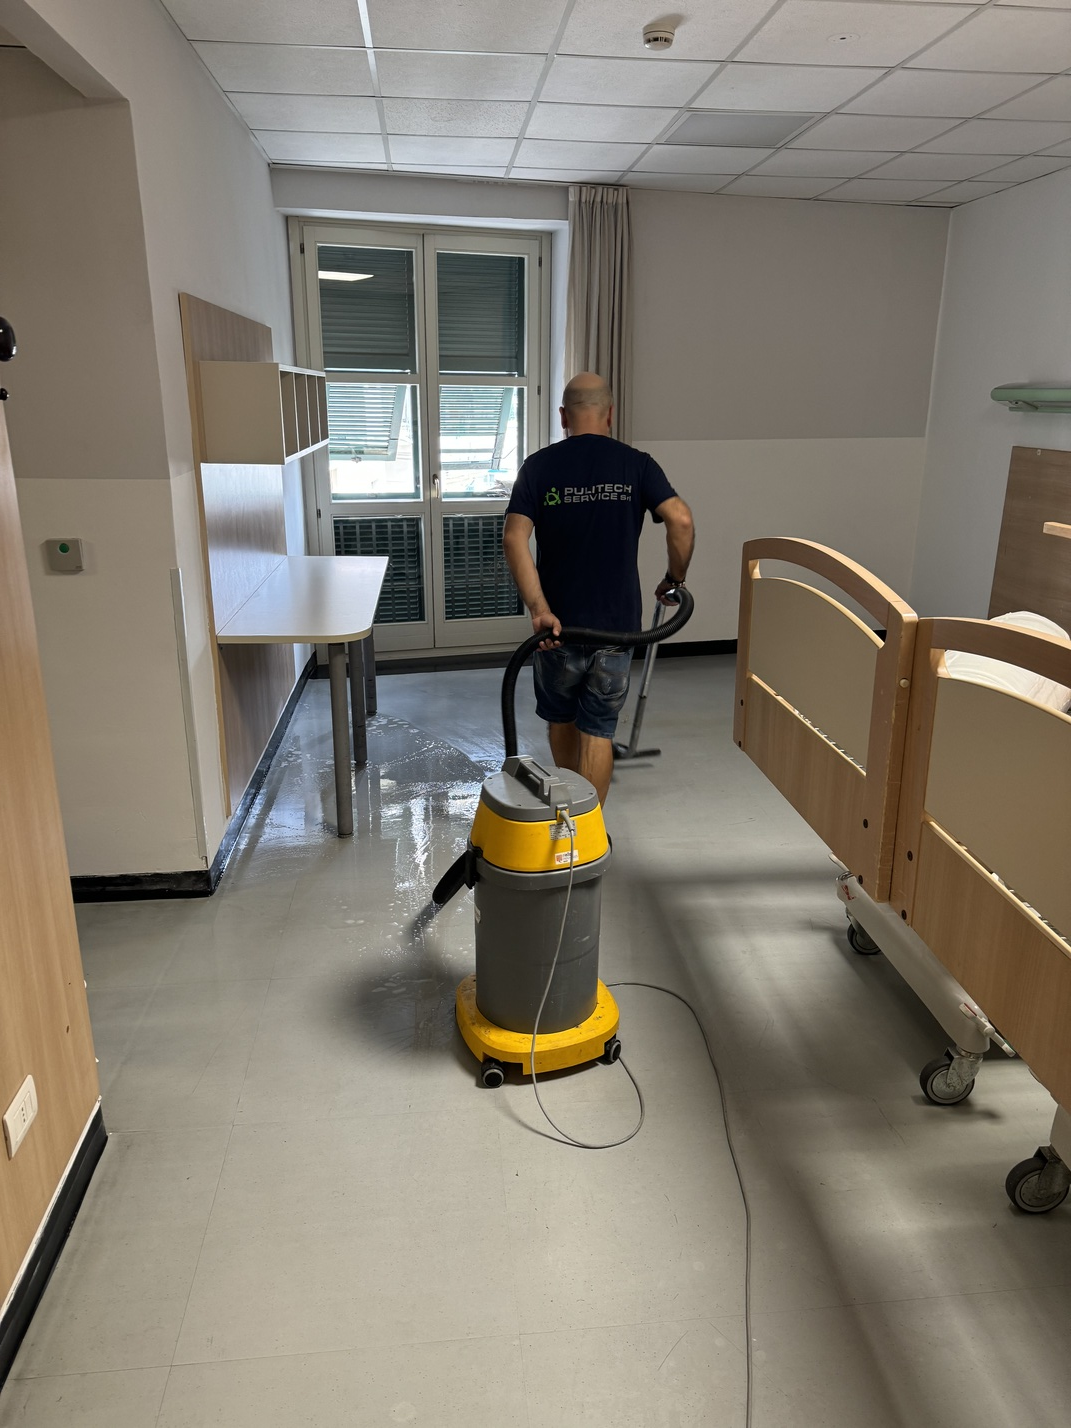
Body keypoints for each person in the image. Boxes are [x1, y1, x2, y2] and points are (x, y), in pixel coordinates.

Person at [503, 372, 695, 805]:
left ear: (563, 416)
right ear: (610, 414)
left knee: (561, 719)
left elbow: (514, 538)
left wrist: (539, 609)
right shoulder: (636, 464)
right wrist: (674, 580)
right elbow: (681, 520)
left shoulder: (538, 466)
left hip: (557, 628)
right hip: (617, 628)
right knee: (598, 731)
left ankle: (568, 816)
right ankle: (589, 829)